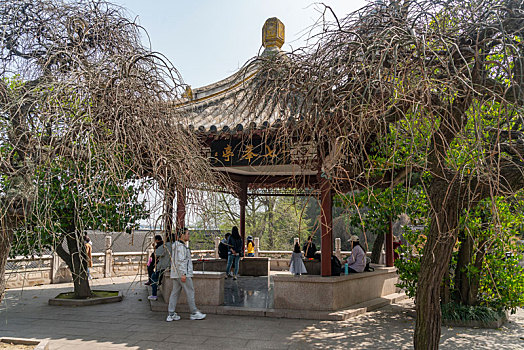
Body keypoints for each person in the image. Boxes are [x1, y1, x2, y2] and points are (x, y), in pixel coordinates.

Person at [166, 228, 206, 321]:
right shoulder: (181, 247)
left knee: (174, 293)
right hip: (183, 274)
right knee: (190, 292)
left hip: (176, 274)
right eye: (187, 234)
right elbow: (181, 261)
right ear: (182, 235)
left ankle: (171, 313)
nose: (188, 235)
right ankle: (194, 312)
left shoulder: (175, 246)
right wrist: (183, 273)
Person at [148, 235, 171, 301]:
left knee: (153, 277)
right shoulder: (174, 246)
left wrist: (154, 249)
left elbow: (157, 253)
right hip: (168, 266)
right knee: (158, 278)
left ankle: (154, 294)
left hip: (163, 266)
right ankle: (157, 286)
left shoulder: (165, 246)